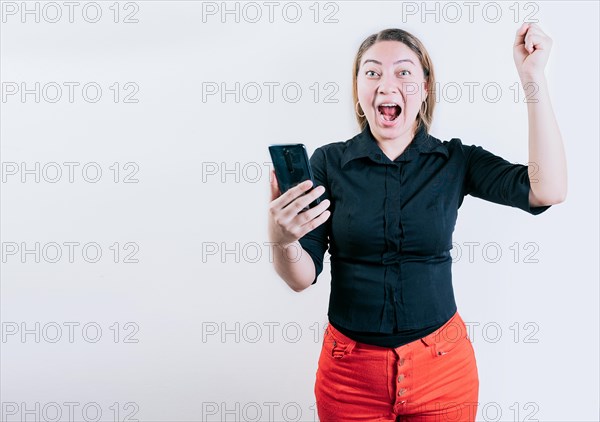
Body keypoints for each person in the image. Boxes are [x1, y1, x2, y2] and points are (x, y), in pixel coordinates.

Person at [267, 23, 566, 422]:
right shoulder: (328, 162)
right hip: (349, 377)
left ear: (425, 88)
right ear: (358, 89)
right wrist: (281, 238)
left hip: (444, 372)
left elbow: (548, 189)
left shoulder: (455, 160)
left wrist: (533, 78)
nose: (386, 84)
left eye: (403, 72)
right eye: (372, 72)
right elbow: (301, 278)